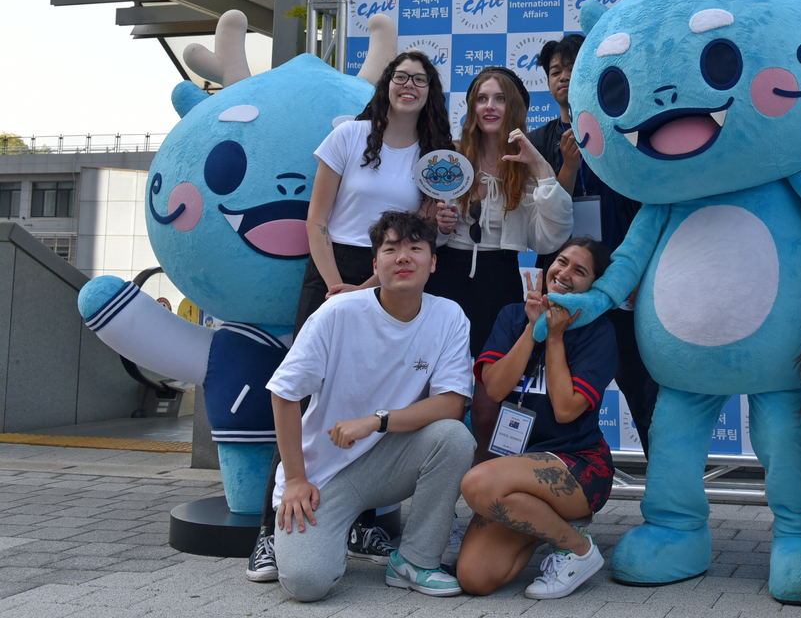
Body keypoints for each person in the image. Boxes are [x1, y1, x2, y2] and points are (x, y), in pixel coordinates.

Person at [247, 50, 457, 581]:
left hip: (389, 268)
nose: (409, 86)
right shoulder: (347, 136)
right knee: (308, 395)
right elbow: (316, 219)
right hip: (333, 267)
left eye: (420, 80)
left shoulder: (436, 156)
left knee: (379, 393)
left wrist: (377, 277)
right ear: (387, 84)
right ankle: (269, 534)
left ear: (430, 93)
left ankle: (356, 521)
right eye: (401, 77)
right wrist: (336, 285)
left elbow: (427, 233)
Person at [267, 210, 475, 602]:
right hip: (323, 476)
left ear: (433, 262)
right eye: (391, 248)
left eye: (416, 248)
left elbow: (449, 404)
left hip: (389, 459)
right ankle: (323, 539)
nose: (403, 257)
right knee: (307, 583)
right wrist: (295, 478)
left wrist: (376, 421)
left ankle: (415, 559)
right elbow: (284, 392)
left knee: (454, 437)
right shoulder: (337, 313)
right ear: (374, 262)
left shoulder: (448, 316)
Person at [457, 236, 620, 599]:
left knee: (477, 484)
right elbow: (496, 389)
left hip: (578, 464)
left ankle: (576, 549)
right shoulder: (513, 315)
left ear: (593, 285)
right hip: (515, 467)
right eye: (561, 262)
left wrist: (556, 337)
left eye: (580, 271)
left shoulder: (599, 332)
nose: (565, 274)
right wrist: (534, 329)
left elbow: (565, 410)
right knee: (475, 577)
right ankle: (548, 526)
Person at [528, 33, 656, 455]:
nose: (563, 77)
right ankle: (564, 480)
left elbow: (645, 206)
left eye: (571, 67)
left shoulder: (620, 129)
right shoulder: (538, 141)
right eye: (555, 71)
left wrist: (638, 273)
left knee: (644, 391)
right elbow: (539, 216)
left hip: (621, 281)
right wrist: (566, 167)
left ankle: (667, 500)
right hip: (565, 287)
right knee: (558, 388)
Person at [427, 66, 573, 353]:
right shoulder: (451, 157)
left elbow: (549, 239)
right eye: (482, 99)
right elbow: (421, 231)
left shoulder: (528, 165)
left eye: (500, 99)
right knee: (437, 374)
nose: (489, 107)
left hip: (500, 279)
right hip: (444, 275)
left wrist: (541, 167)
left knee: (489, 385)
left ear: (514, 106)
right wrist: (439, 227)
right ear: (472, 107)